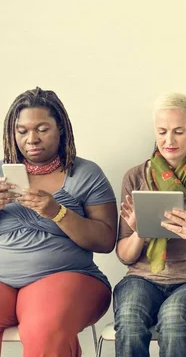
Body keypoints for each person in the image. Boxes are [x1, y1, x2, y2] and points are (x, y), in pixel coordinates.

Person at [113, 92, 186, 357]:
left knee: (174, 315)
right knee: (131, 318)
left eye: (179, 131)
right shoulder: (135, 177)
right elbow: (124, 255)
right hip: (142, 278)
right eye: (162, 131)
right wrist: (141, 232)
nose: (169, 140)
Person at [0, 87, 117, 356]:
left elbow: (106, 240)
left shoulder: (86, 174)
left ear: (60, 128)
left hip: (66, 277)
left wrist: (57, 212)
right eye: (22, 131)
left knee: (45, 328)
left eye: (42, 129)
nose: (31, 139)